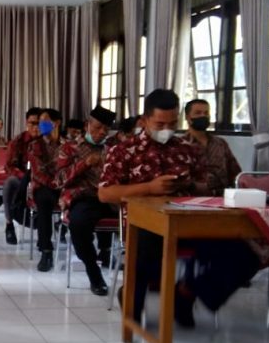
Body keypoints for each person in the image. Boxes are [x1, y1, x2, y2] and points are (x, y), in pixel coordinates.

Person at [98, 89, 260, 328]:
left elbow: (204, 186)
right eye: (160, 123)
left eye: (172, 123)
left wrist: (191, 185)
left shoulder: (187, 149)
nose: (167, 129)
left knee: (244, 256)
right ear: (144, 121)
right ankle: (132, 296)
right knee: (145, 262)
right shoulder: (124, 151)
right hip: (144, 226)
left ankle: (185, 294)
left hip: (188, 223)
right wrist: (150, 188)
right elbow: (105, 193)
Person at [57, 106, 116, 294]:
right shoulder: (70, 148)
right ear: (87, 125)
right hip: (85, 198)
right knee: (79, 224)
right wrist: (85, 164)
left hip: (111, 198)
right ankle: (93, 271)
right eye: (97, 128)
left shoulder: (113, 150)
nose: (101, 133)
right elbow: (60, 179)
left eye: (105, 130)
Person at [28, 108, 65, 272]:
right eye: (39, 122)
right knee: (44, 200)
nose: (40, 125)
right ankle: (46, 250)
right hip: (45, 186)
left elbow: (71, 167)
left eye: (44, 121)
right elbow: (39, 172)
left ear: (56, 123)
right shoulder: (35, 145)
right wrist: (58, 184)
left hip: (64, 185)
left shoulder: (68, 145)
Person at [181, 99, 242, 195]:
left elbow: (235, 173)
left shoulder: (220, 143)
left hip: (222, 196)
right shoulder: (181, 145)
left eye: (206, 113)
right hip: (193, 196)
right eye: (198, 113)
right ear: (188, 117)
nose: (203, 116)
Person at [3, 107, 42, 244]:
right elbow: (9, 165)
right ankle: (9, 225)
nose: (35, 127)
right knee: (9, 183)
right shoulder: (18, 141)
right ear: (26, 123)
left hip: (43, 180)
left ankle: (51, 228)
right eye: (32, 123)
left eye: (39, 123)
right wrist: (25, 177)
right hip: (22, 179)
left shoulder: (47, 140)